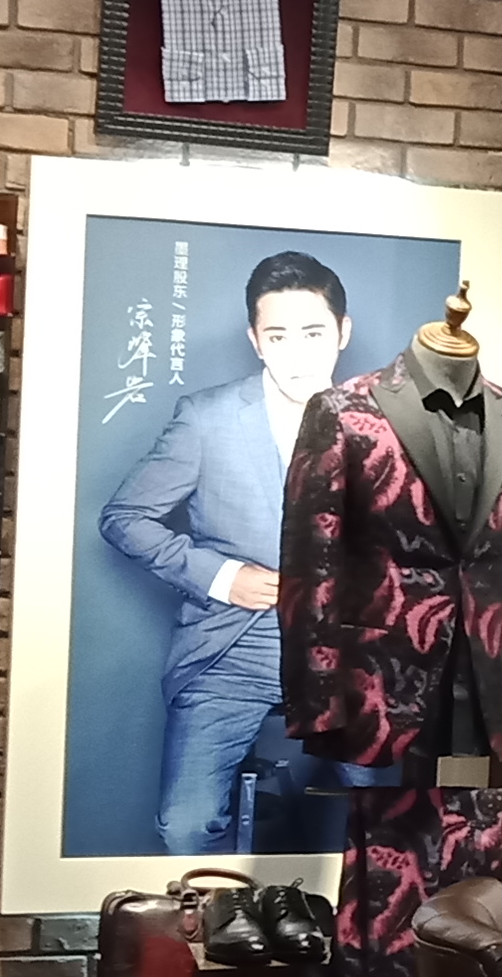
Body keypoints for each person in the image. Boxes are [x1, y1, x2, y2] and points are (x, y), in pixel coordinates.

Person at [98, 251, 353, 854]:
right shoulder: (207, 418)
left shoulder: (383, 425)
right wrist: (221, 576)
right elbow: (124, 518)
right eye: (278, 336)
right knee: (185, 825)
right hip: (232, 648)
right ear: (255, 340)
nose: (297, 353)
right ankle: (218, 912)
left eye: (314, 333)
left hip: (348, 653)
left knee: (392, 816)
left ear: (343, 332)